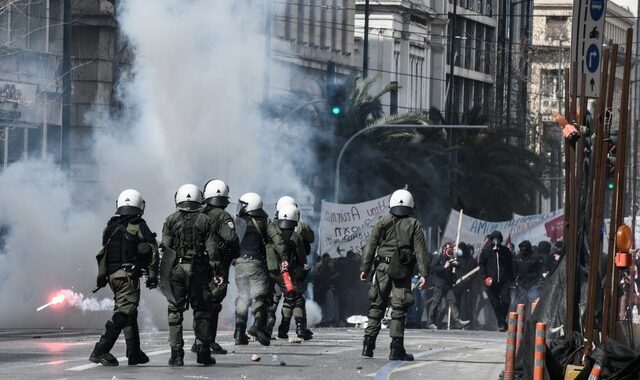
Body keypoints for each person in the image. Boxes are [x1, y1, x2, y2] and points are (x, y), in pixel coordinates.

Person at [89, 189, 159, 366]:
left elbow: (105, 252)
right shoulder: (138, 224)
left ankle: (134, 352)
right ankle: (100, 351)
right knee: (124, 313)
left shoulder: (110, 226)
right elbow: (152, 250)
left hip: (113, 276)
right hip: (127, 276)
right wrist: (152, 276)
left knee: (130, 312)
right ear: (139, 206)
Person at [359, 189, 429, 361]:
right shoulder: (414, 224)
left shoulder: (382, 221)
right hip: (401, 271)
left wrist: (365, 268)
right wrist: (424, 273)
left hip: (382, 269)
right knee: (398, 309)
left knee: (376, 306)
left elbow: (370, 245)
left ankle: (368, 346)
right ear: (411, 204)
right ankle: (396, 349)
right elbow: (420, 251)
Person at [162, 184, 217, 366]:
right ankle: (203, 352)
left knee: (175, 312)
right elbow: (212, 249)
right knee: (201, 311)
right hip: (199, 270)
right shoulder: (205, 220)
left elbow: (165, 250)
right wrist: (216, 271)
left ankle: (176, 355)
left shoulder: (170, 220)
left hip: (177, 269)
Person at [190, 179, 239, 355]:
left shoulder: (199, 213)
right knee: (214, 302)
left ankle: (199, 340)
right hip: (217, 265)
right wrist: (235, 253)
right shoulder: (223, 216)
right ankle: (208, 341)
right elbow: (231, 238)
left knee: (201, 303)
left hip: (199, 265)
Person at [234, 192, 285, 346]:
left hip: (239, 264)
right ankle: (256, 326)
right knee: (260, 296)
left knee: (243, 297)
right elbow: (278, 240)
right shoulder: (265, 221)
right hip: (256, 263)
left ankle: (239, 332)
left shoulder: (238, 222)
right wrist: (284, 258)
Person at [266, 196, 315, 337]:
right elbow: (303, 252)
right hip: (289, 271)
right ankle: (294, 327)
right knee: (294, 297)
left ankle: (268, 324)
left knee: (272, 298)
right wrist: (304, 269)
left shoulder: (270, 227)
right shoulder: (297, 231)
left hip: (272, 269)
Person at [426, 242, 470, 330]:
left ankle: (457, 321)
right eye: (448, 249)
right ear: (444, 249)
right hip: (439, 284)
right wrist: (444, 267)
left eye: (451, 249)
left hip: (448, 285)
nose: (450, 251)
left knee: (452, 301)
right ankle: (430, 322)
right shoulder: (439, 257)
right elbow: (433, 268)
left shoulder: (451, 259)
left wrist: (456, 265)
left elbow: (455, 271)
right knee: (436, 302)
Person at [479, 230, 514, 331]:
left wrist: (511, 280)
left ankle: (502, 319)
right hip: (491, 282)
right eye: (494, 238)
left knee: (506, 301)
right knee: (495, 303)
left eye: (497, 239)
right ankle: (502, 324)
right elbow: (481, 265)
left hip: (503, 282)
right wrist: (485, 277)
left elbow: (510, 266)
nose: (495, 240)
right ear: (491, 240)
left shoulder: (505, 251)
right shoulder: (486, 251)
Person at [512, 240, 545, 309]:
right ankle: (515, 319)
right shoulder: (517, 258)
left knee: (536, 304)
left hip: (533, 284)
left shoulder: (536, 257)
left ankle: (536, 318)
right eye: (521, 247)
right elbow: (514, 270)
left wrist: (538, 281)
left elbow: (541, 270)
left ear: (528, 248)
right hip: (521, 285)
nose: (523, 249)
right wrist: (514, 280)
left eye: (524, 247)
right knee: (517, 305)